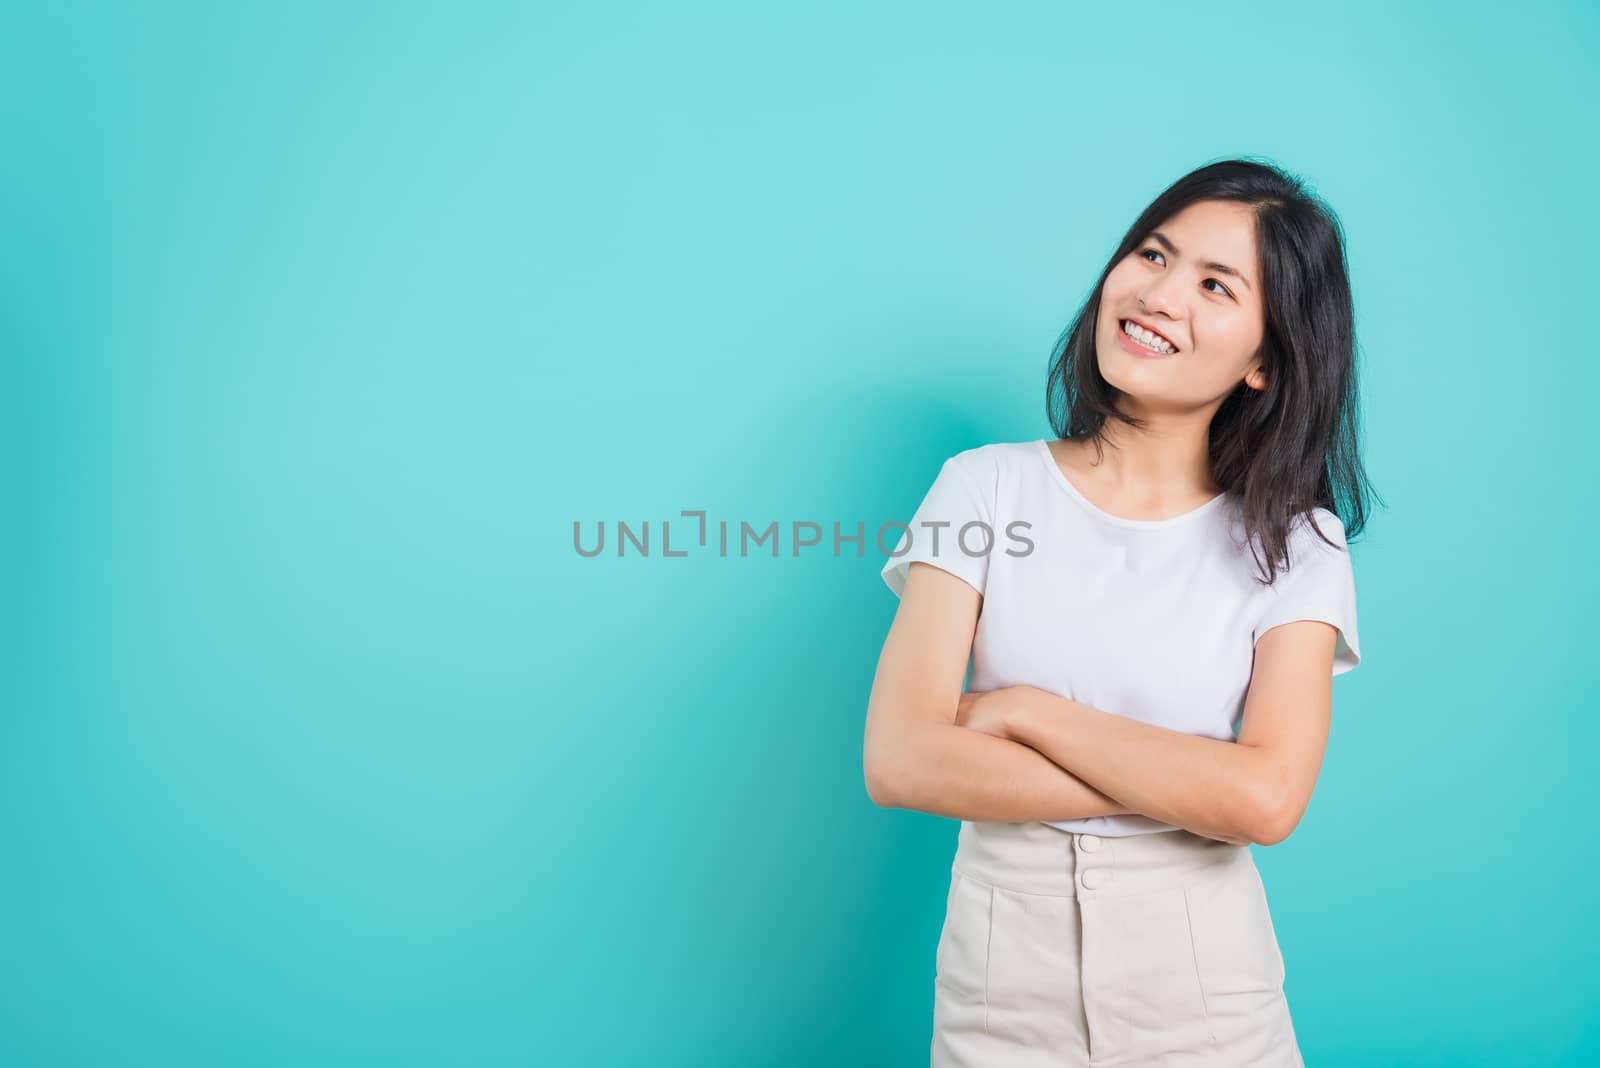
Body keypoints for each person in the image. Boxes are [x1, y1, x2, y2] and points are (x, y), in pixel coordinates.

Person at [863, 157, 1377, 1067]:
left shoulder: (1301, 543)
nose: (1158, 294)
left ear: (1267, 357)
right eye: (1152, 254)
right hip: (998, 1007)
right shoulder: (984, 488)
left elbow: (1265, 801)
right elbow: (902, 761)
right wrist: (1195, 786)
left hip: (1211, 1014)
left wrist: (1025, 714)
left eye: (1215, 284)